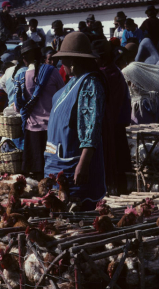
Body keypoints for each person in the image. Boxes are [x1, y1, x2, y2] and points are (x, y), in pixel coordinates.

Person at [45, 32, 107, 208]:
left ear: (72, 61)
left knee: (75, 215)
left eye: (63, 60)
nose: (61, 65)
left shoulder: (90, 84)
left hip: (74, 164)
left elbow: (91, 126)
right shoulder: (74, 81)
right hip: (58, 160)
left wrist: (84, 163)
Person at [13, 39, 64, 178]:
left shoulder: (21, 77)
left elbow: (18, 107)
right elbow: (64, 95)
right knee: (54, 172)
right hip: (52, 129)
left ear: (24, 58)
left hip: (33, 131)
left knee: (37, 175)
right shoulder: (52, 72)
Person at [92, 39, 131, 194]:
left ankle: (117, 194)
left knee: (115, 163)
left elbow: (111, 106)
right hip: (110, 125)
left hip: (113, 126)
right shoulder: (107, 72)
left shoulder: (111, 74)